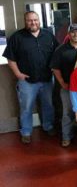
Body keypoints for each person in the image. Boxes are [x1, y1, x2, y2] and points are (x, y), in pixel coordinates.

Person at [2, 11, 59, 144]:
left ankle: (48, 126)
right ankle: (26, 132)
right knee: (26, 107)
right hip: (27, 82)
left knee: (48, 105)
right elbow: (11, 59)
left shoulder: (48, 35)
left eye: (35, 20)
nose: (33, 22)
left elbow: (57, 53)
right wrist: (18, 74)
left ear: (39, 21)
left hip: (47, 80)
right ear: (25, 21)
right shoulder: (17, 37)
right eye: (30, 20)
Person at [50, 23, 77, 147]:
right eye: (72, 32)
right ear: (68, 34)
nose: (75, 34)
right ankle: (66, 136)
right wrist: (62, 83)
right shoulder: (61, 50)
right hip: (68, 88)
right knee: (67, 113)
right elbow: (55, 68)